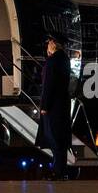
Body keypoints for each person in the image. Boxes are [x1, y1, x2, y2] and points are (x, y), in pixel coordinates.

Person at [38, 34, 72, 180]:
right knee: (61, 138)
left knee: (54, 138)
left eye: (49, 43)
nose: (47, 45)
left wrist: (44, 105)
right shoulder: (64, 59)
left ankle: (58, 171)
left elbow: (48, 85)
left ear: (53, 44)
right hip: (62, 104)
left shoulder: (52, 61)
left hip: (53, 106)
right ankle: (61, 169)